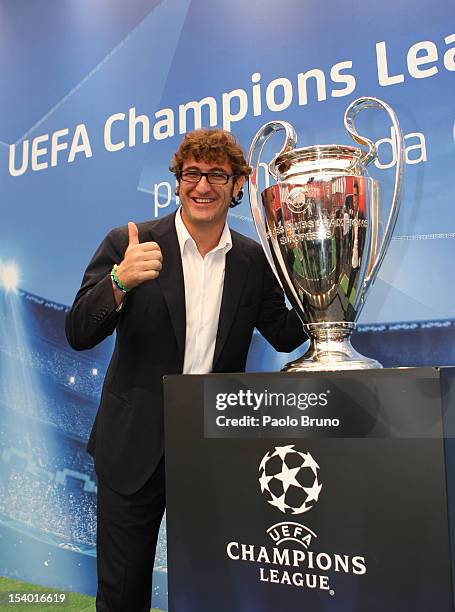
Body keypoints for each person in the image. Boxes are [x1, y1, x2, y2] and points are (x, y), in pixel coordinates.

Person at [65, 128, 306, 612]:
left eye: (218, 174)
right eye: (192, 173)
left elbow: (286, 333)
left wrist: (312, 265)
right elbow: (78, 332)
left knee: (209, 593)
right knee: (121, 596)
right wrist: (118, 281)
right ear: (176, 182)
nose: (203, 185)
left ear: (240, 184)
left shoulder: (254, 260)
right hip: (132, 450)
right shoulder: (130, 243)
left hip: (209, 453)